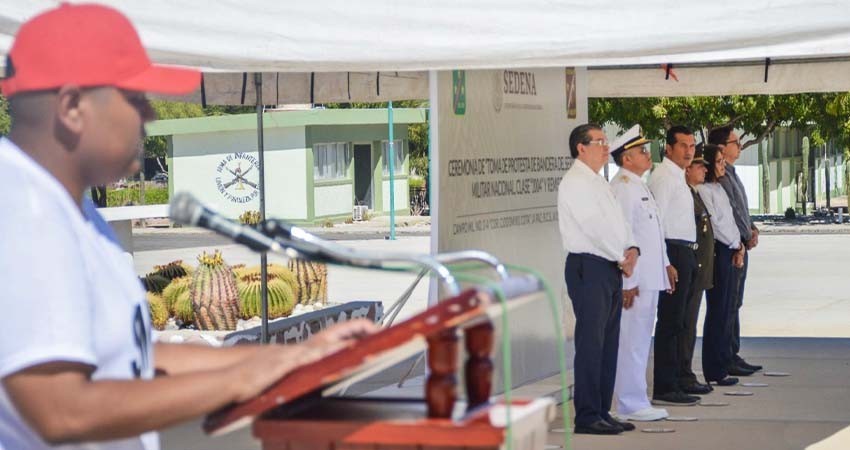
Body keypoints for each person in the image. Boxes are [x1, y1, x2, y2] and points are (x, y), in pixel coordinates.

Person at [0, 5, 377, 450]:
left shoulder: (68, 204)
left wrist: (291, 356)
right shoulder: (23, 211)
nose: (149, 115)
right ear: (72, 107)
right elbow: (62, 410)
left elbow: (135, 358)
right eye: (135, 99)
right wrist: (243, 377)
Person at [558, 123, 639, 435]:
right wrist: (620, 256)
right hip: (590, 265)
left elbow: (619, 222)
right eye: (600, 142)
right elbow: (592, 227)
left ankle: (602, 410)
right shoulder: (575, 182)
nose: (607, 147)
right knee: (591, 343)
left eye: (606, 141)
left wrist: (632, 248)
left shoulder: (598, 181)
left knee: (607, 343)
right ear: (581, 148)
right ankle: (588, 415)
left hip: (609, 265)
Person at [608, 125, 672, 422]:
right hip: (636, 281)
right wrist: (628, 281)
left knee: (640, 340)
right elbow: (624, 237)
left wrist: (666, 265)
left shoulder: (638, 185)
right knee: (631, 342)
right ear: (626, 158)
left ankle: (636, 398)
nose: (648, 154)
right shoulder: (622, 187)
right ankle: (629, 403)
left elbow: (652, 233)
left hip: (649, 277)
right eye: (641, 151)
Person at [646, 125, 701, 406]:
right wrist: (665, 261)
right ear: (668, 148)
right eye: (683, 146)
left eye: (692, 146)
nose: (689, 151)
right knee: (670, 320)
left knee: (680, 321)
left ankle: (679, 378)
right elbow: (657, 222)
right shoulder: (664, 177)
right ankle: (665, 386)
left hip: (686, 250)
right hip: (673, 250)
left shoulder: (678, 175)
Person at [707, 125, 762, 375]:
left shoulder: (731, 174)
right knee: (725, 304)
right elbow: (727, 215)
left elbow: (741, 210)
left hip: (739, 243)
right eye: (735, 143)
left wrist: (752, 229)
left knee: (734, 302)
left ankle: (731, 352)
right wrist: (743, 238)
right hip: (729, 247)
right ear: (721, 147)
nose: (739, 147)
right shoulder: (718, 179)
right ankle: (724, 357)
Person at [696, 144, 746, 386]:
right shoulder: (704, 190)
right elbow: (717, 225)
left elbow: (731, 221)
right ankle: (714, 368)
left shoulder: (719, 187)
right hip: (719, 251)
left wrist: (740, 245)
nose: (722, 165)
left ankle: (724, 361)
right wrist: (735, 244)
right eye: (717, 161)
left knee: (728, 309)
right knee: (718, 310)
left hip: (732, 248)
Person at [678, 146, 716, 394]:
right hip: (690, 268)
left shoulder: (694, 194)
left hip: (698, 269)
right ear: (687, 170)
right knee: (684, 325)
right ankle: (683, 375)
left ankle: (686, 372)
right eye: (699, 166)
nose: (704, 170)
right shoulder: (684, 195)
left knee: (690, 325)